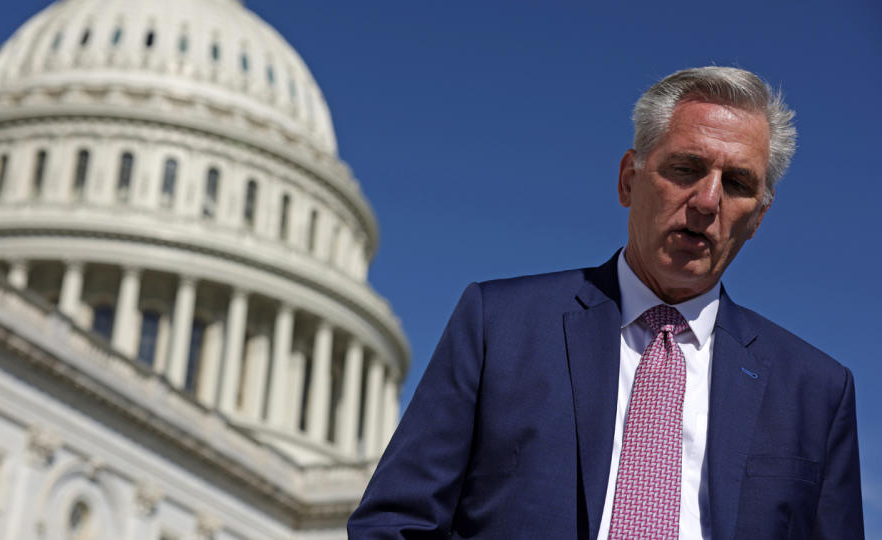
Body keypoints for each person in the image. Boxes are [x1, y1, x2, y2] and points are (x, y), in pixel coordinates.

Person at [347, 67, 864, 539]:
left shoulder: (816, 392)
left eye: (736, 184)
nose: (708, 202)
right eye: (686, 168)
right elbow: (396, 523)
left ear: (759, 218)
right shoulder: (498, 326)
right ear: (628, 179)